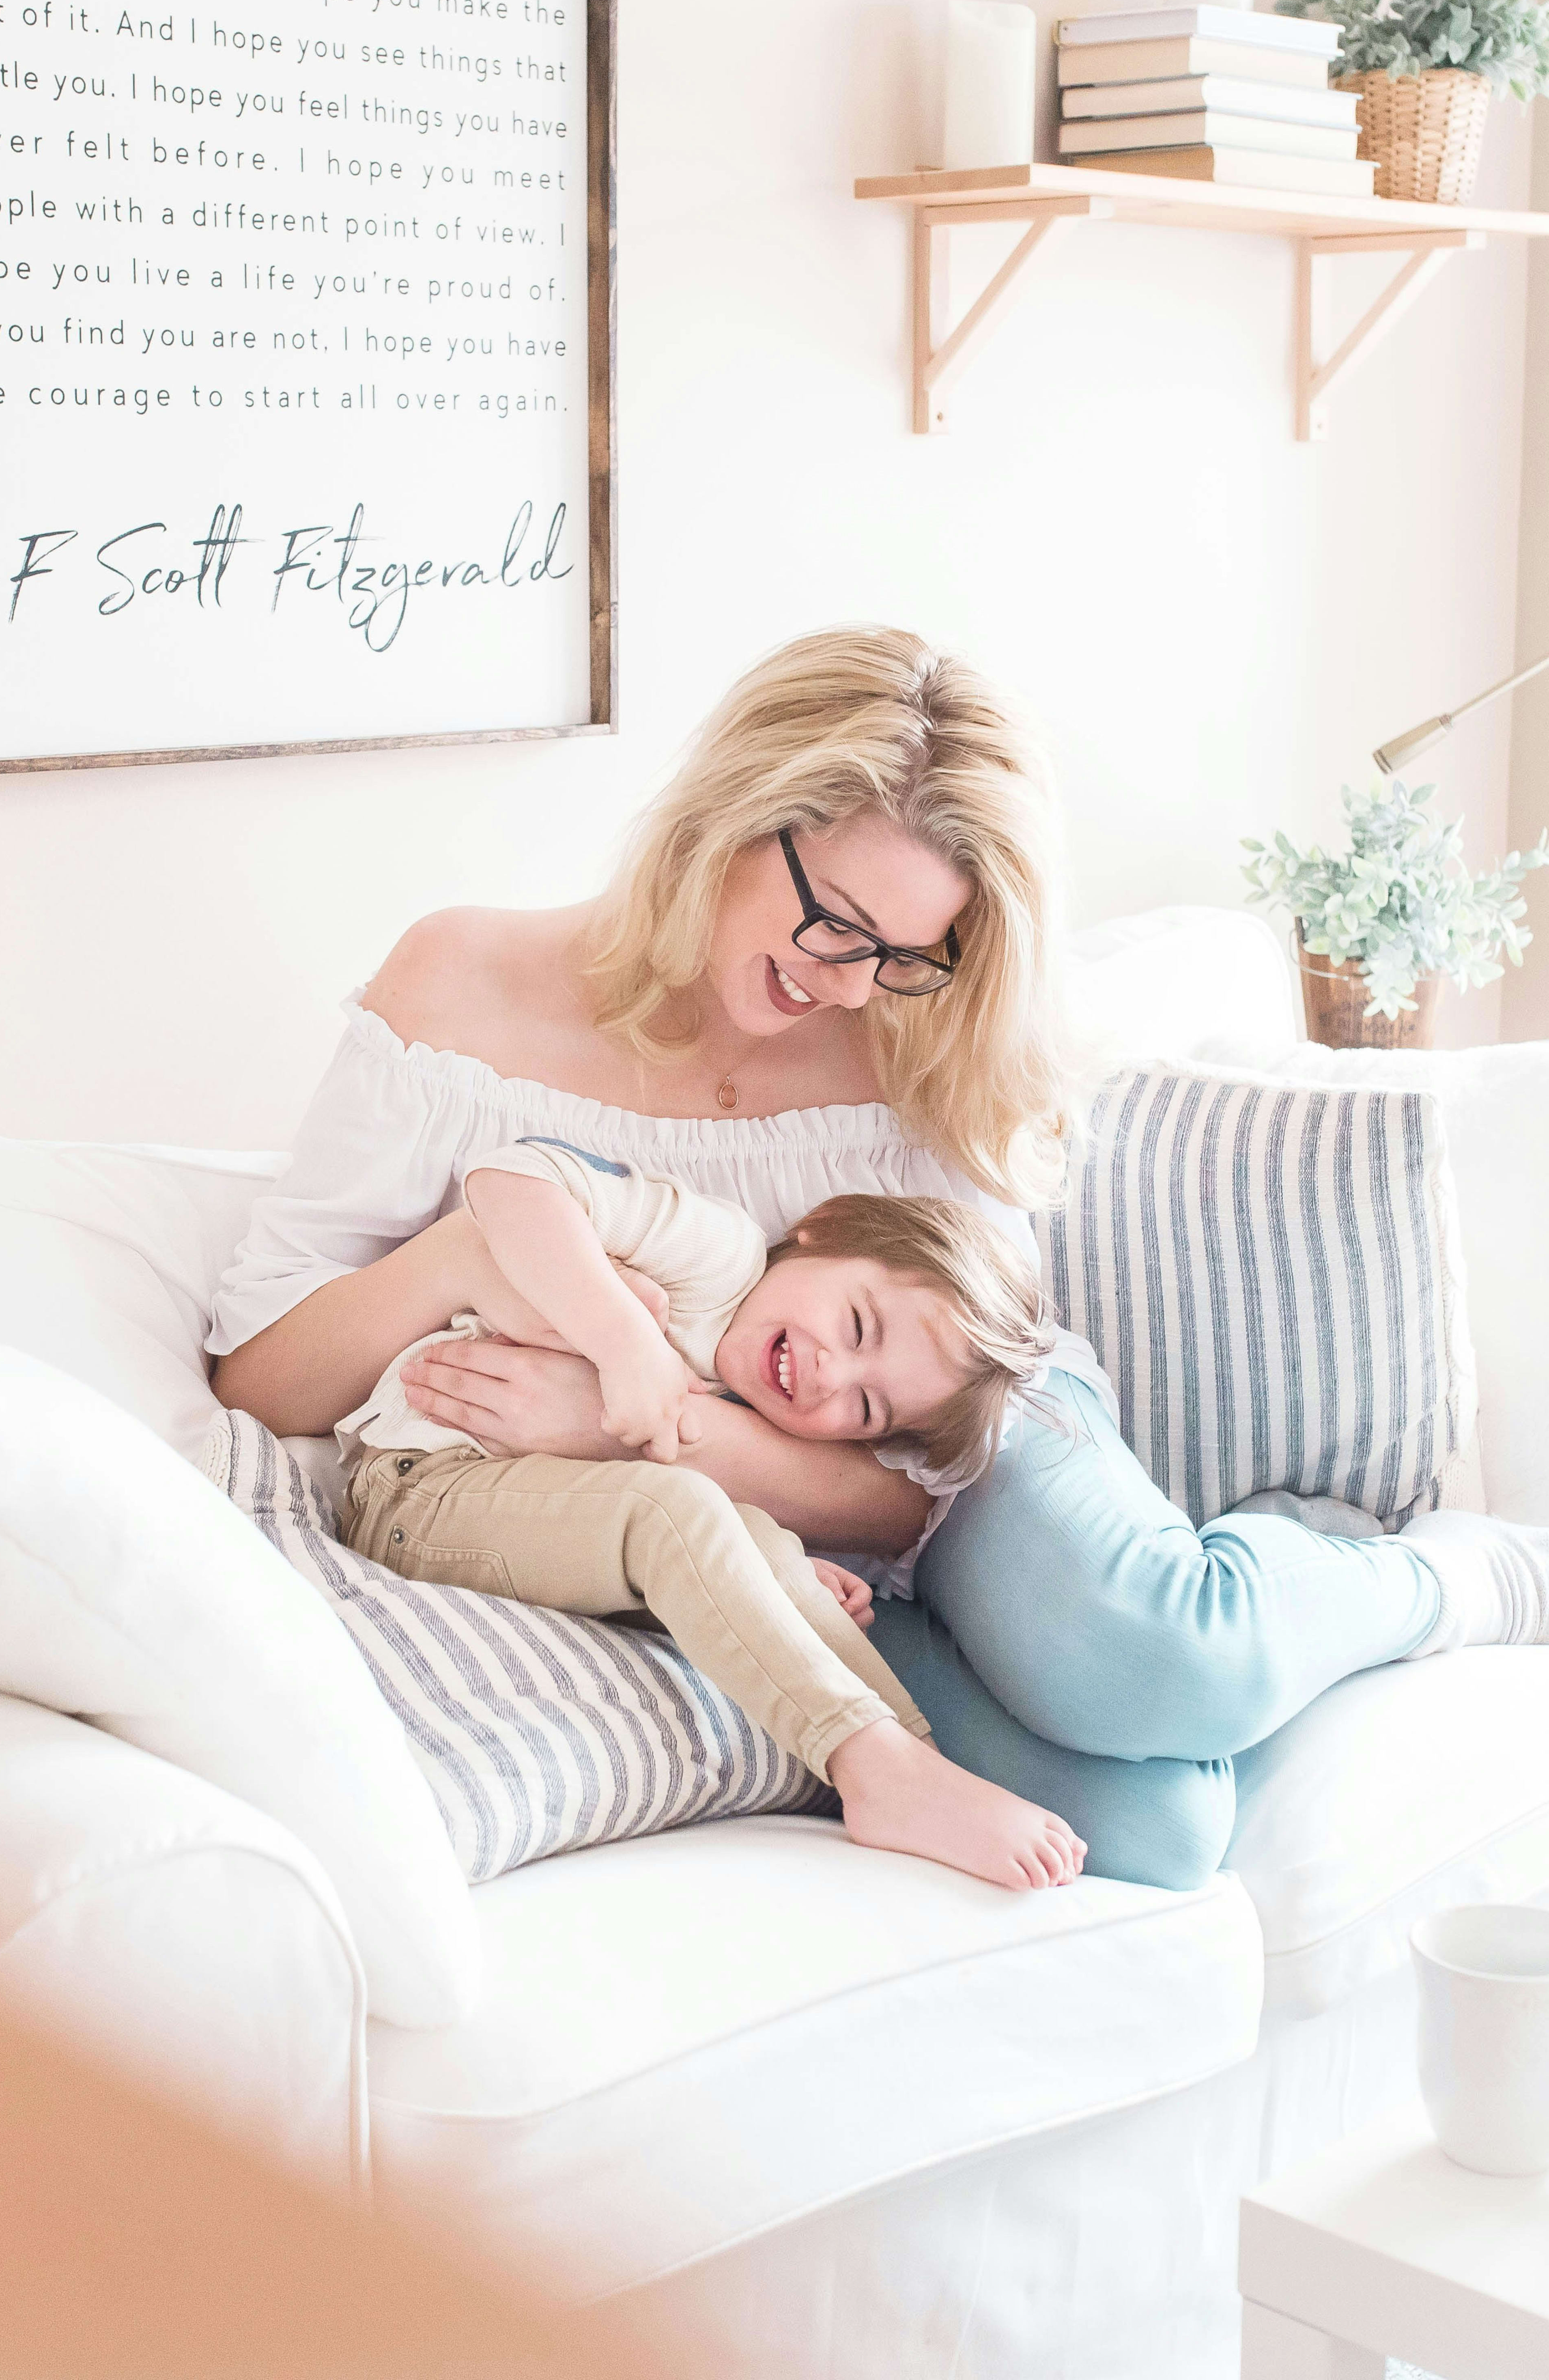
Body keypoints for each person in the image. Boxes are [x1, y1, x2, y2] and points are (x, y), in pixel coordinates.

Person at [210, 627, 1549, 1891]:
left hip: (954, 1420)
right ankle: (1240, 1601)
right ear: (729, 819)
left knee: (1163, 1655)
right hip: (751, 1530)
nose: (852, 987)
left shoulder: (923, 1034)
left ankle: (1441, 1574)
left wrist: (648, 1427)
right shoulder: (464, 985)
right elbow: (260, 1381)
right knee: (1159, 1829)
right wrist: (464, 1260)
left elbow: (919, 1495)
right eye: (837, 923)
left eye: (908, 957)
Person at [336, 1142, 1082, 1890]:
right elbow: (508, 1179)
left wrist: (773, 1574)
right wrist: (623, 1342)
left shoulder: (759, 1407)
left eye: (865, 1407)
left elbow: (639, 1523)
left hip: (534, 1527)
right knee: (680, 1507)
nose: (832, 1374)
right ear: (826, 1229)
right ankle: (872, 1766)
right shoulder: (716, 1259)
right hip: (421, 1489)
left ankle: (905, 1764)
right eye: (858, 1326)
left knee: (758, 1539)